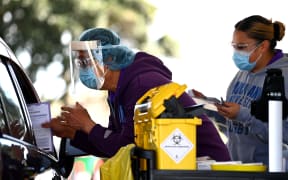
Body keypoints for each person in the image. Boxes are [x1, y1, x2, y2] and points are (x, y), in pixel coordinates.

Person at [42, 28, 230, 161]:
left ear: (107, 60)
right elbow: (113, 147)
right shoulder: (117, 91)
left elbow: (126, 147)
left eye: (86, 63)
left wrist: (88, 125)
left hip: (205, 167)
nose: (83, 71)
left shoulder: (142, 84)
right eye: (80, 64)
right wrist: (74, 134)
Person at [195, 15, 288, 167]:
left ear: (263, 46)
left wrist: (243, 115)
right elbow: (236, 125)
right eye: (234, 46)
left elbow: (284, 133)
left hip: (270, 172)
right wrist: (210, 106)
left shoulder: (284, 76)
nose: (236, 53)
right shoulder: (244, 72)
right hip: (240, 168)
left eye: (242, 47)